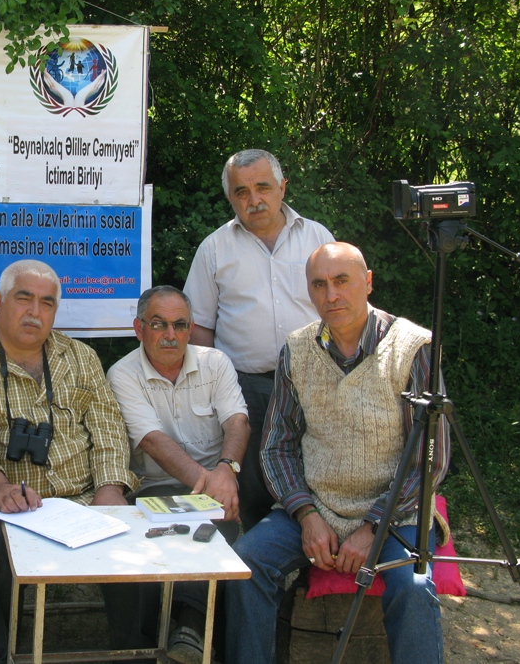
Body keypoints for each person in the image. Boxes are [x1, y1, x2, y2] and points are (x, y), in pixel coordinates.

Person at [223, 242, 448, 664]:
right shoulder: (297, 349)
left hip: (395, 513)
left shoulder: (412, 347)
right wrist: (306, 514)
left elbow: (431, 460)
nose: (331, 295)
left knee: (413, 590)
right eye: (319, 285)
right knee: (244, 567)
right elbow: (277, 446)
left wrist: (373, 527)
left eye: (342, 281)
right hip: (317, 505)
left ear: (367, 283)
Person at [0, 259, 144, 664]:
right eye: (24, 298)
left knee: (136, 549)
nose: (35, 311)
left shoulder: (80, 358)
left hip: (83, 497)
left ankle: (134, 653)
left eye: (47, 303)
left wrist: (109, 489)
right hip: (6, 502)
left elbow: (108, 429)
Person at [183, 148, 333, 530]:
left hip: (316, 383)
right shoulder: (214, 248)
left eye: (262, 187)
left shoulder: (317, 238)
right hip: (247, 388)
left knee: (316, 476)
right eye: (241, 192)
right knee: (251, 486)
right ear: (230, 197)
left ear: (283, 188)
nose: (254, 200)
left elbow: (338, 310)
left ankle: (308, 572)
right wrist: (213, 389)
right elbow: (199, 327)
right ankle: (252, 566)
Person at [107, 285, 249, 664]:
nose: (170, 335)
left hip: (218, 481)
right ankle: (135, 649)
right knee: (138, 546)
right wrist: (209, 483)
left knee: (215, 531)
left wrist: (227, 468)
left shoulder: (215, 362)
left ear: (191, 329)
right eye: (159, 324)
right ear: (139, 329)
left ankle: (189, 634)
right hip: (153, 490)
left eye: (179, 325)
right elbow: (153, 441)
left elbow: (237, 420)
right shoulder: (123, 373)